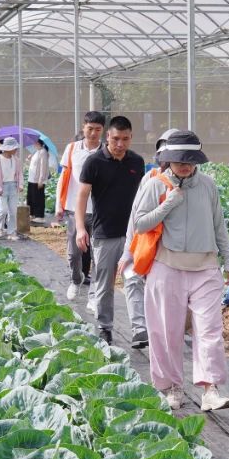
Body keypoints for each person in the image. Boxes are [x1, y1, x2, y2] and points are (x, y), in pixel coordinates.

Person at [130, 130, 229, 413]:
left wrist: (228, 261)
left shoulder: (208, 185)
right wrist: (168, 203)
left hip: (206, 267)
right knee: (166, 331)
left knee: (210, 329)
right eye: (179, 161)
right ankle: (171, 387)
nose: (185, 166)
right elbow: (140, 224)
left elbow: (219, 224)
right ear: (168, 160)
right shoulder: (155, 184)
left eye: (190, 160)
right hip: (167, 266)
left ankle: (210, 389)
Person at [75, 116, 144, 343]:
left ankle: (139, 329)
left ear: (131, 137)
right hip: (104, 234)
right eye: (116, 139)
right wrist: (80, 229)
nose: (120, 144)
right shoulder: (94, 162)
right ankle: (105, 326)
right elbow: (82, 197)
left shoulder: (137, 162)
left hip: (133, 234)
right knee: (105, 285)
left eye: (125, 139)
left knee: (133, 279)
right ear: (108, 137)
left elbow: (143, 196)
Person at [117, 128, 180, 349]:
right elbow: (136, 217)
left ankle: (168, 329)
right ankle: (139, 329)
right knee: (133, 278)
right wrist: (128, 251)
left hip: (173, 251)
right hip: (147, 243)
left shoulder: (194, 182)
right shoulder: (150, 179)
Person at [56, 111, 105, 302]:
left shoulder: (106, 151)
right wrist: (59, 204)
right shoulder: (72, 149)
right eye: (90, 128)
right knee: (74, 252)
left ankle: (94, 294)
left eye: (97, 129)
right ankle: (76, 279)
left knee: (98, 253)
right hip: (74, 209)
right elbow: (64, 177)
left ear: (103, 130)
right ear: (83, 127)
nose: (93, 133)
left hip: (100, 210)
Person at [0, 137, 24, 240]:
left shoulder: (16, 160)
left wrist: (20, 185)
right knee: (3, 210)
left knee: (13, 211)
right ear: (8, 148)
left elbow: (20, 173)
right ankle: (0, 228)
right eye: (14, 148)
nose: (16, 150)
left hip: (13, 186)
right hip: (2, 187)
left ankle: (11, 232)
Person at [27, 140, 51, 224]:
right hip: (31, 179)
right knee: (31, 198)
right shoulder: (36, 152)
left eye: (35, 142)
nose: (34, 144)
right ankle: (32, 214)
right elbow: (34, 165)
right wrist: (30, 159)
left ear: (39, 143)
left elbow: (43, 167)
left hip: (37, 180)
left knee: (38, 198)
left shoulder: (43, 152)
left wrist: (41, 179)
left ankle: (39, 216)